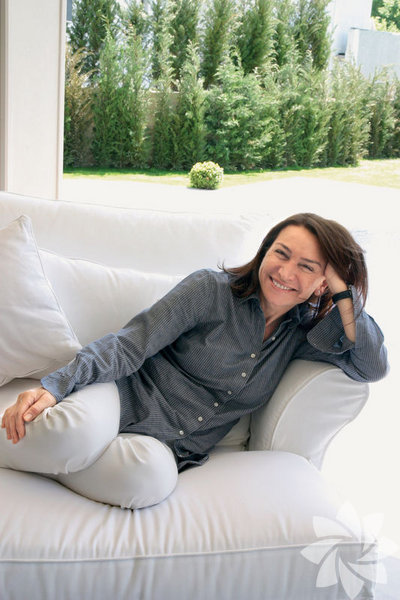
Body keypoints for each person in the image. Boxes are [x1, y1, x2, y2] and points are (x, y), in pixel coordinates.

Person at [0, 213, 388, 509]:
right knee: (69, 435)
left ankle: (55, 462)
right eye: (280, 253)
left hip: (169, 448)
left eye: (307, 267)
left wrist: (344, 292)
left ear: (323, 283)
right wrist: (57, 386)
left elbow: (373, 366)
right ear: (264, 252)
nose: (286, 272)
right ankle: (59, 450)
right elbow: (132, 343)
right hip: (122, 396)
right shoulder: (211, 290)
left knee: (147, 483)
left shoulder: (305, 337)